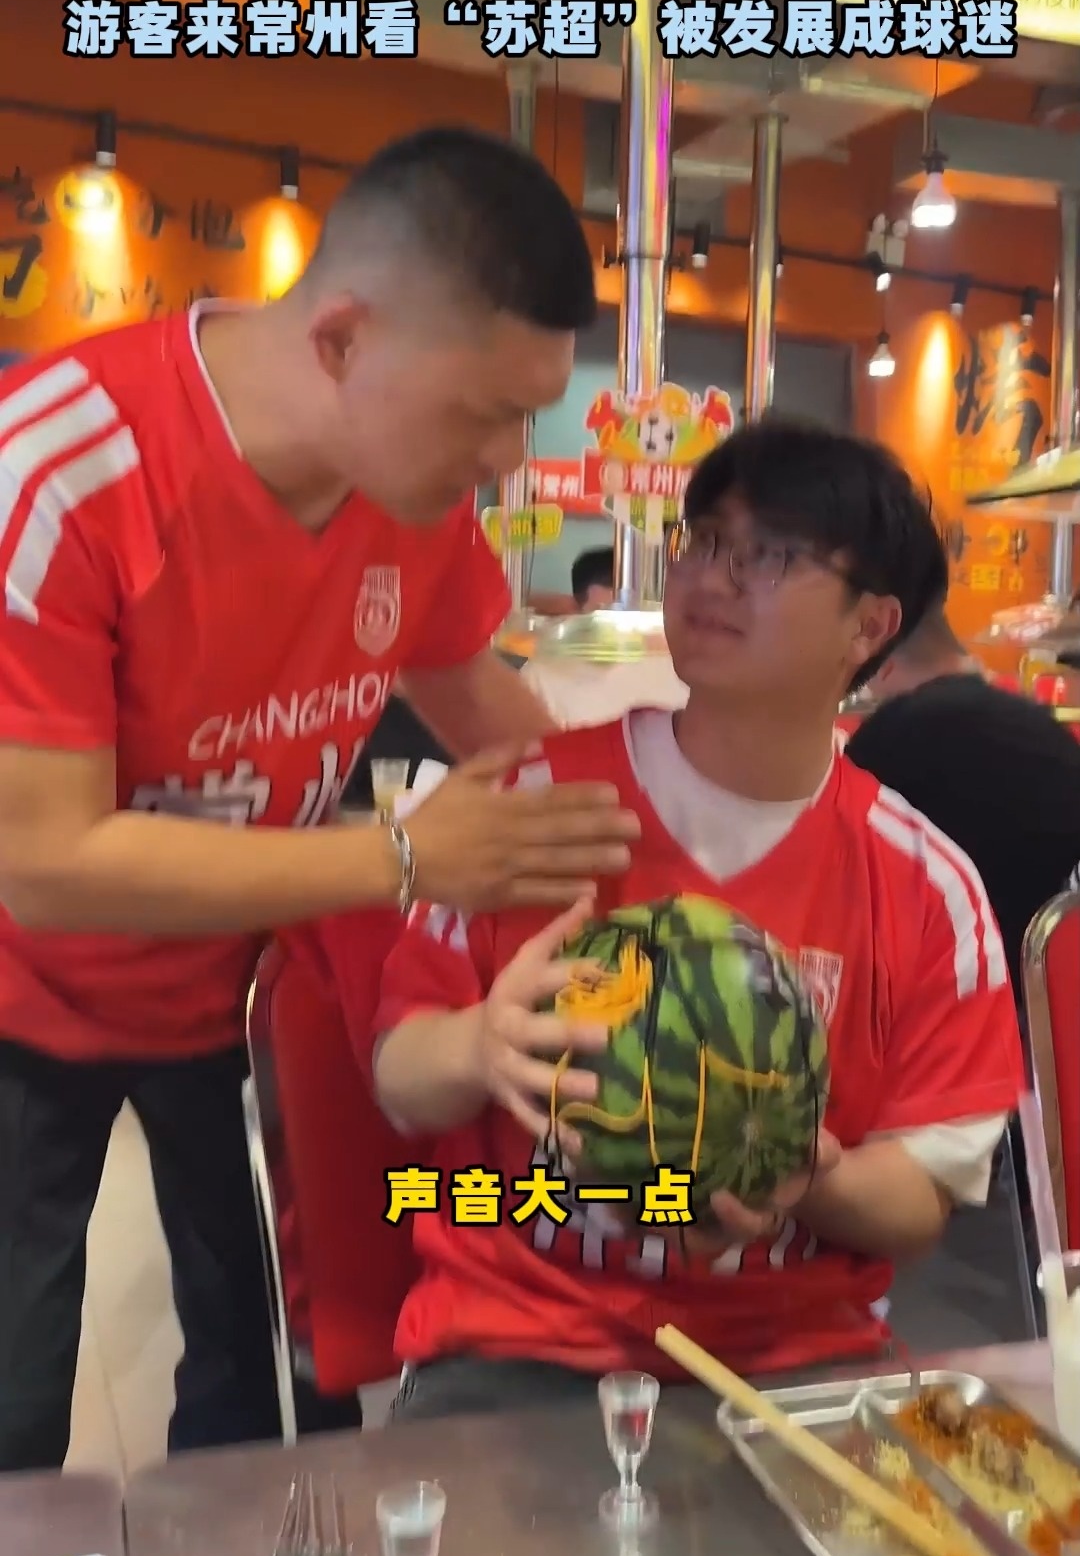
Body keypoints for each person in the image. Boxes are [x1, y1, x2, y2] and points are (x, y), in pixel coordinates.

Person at [0, 126, 642, 1471]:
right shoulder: (62, 472)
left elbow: (506, 734)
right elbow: (41, 862)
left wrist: (693, 847)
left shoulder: (411, 498)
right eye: (483, 415)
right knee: (13, 1402)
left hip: (240, 1003)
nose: (507, 460)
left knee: (277, 1390)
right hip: (21, 1004)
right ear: (342, 339)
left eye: (528, 416)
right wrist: (403, 859)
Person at [345, 418, 1023, 1415]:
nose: (712, 577)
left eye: (769, 554)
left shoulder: (927, 885)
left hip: (793, 1361)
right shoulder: (530, 805)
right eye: (703, 540)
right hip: (521, 1345)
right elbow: (398, 1074)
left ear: (870, 627)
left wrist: (807, 1180)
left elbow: (922, 1195)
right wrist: (483, 1045)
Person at [844, 600, 1080, 999]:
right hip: (1053, 1000)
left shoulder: (888, 740)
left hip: (953, 998)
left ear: (881, 665)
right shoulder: (1044, 729)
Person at [522, 543, 688, 726]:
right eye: (603, 613)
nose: (618, 627)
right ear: (577, 612)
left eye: (628, 613)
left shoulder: (681, 669)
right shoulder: (542, 676)